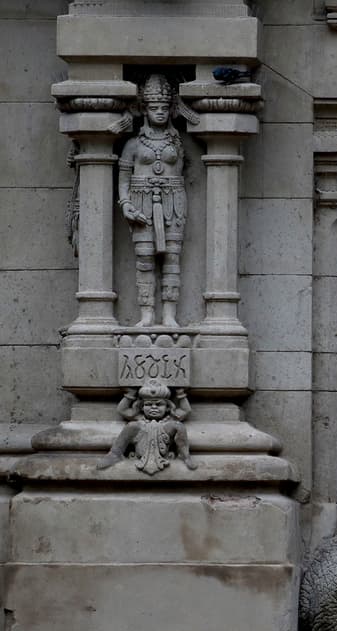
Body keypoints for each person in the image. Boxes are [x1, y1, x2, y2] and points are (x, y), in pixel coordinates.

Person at [118, 74, 187, 328]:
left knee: (172, 258)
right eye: (154, 107)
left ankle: (169, 314)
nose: (159, 112)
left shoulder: (175, 142)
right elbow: (124, 178)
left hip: (173, 202)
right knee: (145, 258)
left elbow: (180, 169)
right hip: (142, 201)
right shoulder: (133, 144)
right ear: (144, 109)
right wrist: (126, 204)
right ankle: (147, 313)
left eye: (164, 108)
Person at [97, 379, 197, 475]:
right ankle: (114, 454)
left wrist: (180, 393)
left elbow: (186, 410)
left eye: (159, 404)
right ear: (141, 407)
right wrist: (130, 394)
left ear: (167, 407)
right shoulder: (139, 419)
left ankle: (185, 455)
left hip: (163, 433)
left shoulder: (169, 420)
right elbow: (122, 410)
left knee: (179, 426)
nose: (154, 407)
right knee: (131, 426)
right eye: (148, 404)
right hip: (142, 434)